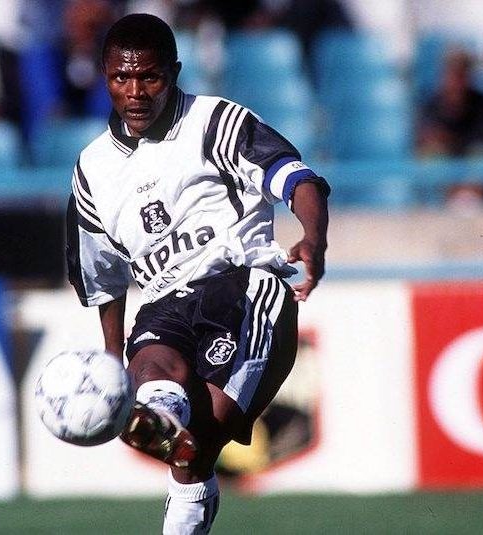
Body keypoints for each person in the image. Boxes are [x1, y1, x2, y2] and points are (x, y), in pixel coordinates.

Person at [65, 13, 329, 534]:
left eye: (150, 77)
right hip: (164, 305)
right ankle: (156, 413)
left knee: (204, 438)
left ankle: (168, 424)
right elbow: (104, 279)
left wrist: (313, 238)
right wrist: (112, 359)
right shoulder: (91, 170)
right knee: (166, 416)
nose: (135, 92)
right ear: (104, 76)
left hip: (244, 289)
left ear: (175, 71)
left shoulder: (215, 121)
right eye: (121, 78)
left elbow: (299, 180)